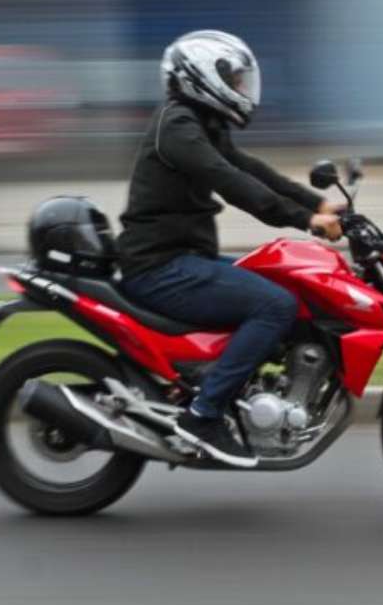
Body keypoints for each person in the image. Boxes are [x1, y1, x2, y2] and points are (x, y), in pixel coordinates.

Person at [117, 30, 343, 467]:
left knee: (291, 288)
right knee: (274, 305)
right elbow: (231, 182)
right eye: (235, 79)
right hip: (160, 267)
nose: (242, 88)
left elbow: (249, 168)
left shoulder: (199, 123)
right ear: (204, 76)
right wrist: (304, 220)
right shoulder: (177, 127)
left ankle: (239, 391)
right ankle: (203, 416)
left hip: (184, 259)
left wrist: (316, 203)